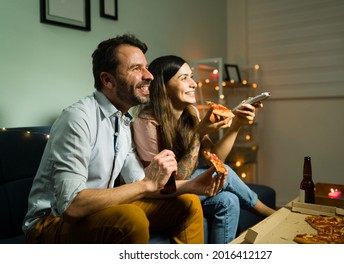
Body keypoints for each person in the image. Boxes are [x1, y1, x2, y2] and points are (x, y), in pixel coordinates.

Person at [22, 35, 226, 244]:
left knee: (189, 203)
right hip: (49, 222)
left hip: (100, 211)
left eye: (146, 67)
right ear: (107, 80)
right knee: (131, 218)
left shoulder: (123, 120)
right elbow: (72, 206)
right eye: (136, 69)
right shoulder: (78, 118)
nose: (149, 76)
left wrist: (191, 185)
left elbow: (139, 182)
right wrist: (147, 183)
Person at [131, 55, 275, 244]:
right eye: (183, 78)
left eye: (191, 76)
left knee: (229, 201)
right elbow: (172, 181)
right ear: (162, 87)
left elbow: (214, 159)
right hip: (161, 194)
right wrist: (198, 135)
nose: (193, 84)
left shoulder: (191, 113)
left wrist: (237, 124)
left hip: (184, 187)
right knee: (226, 173)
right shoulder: (146, 123)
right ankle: (269, 214)